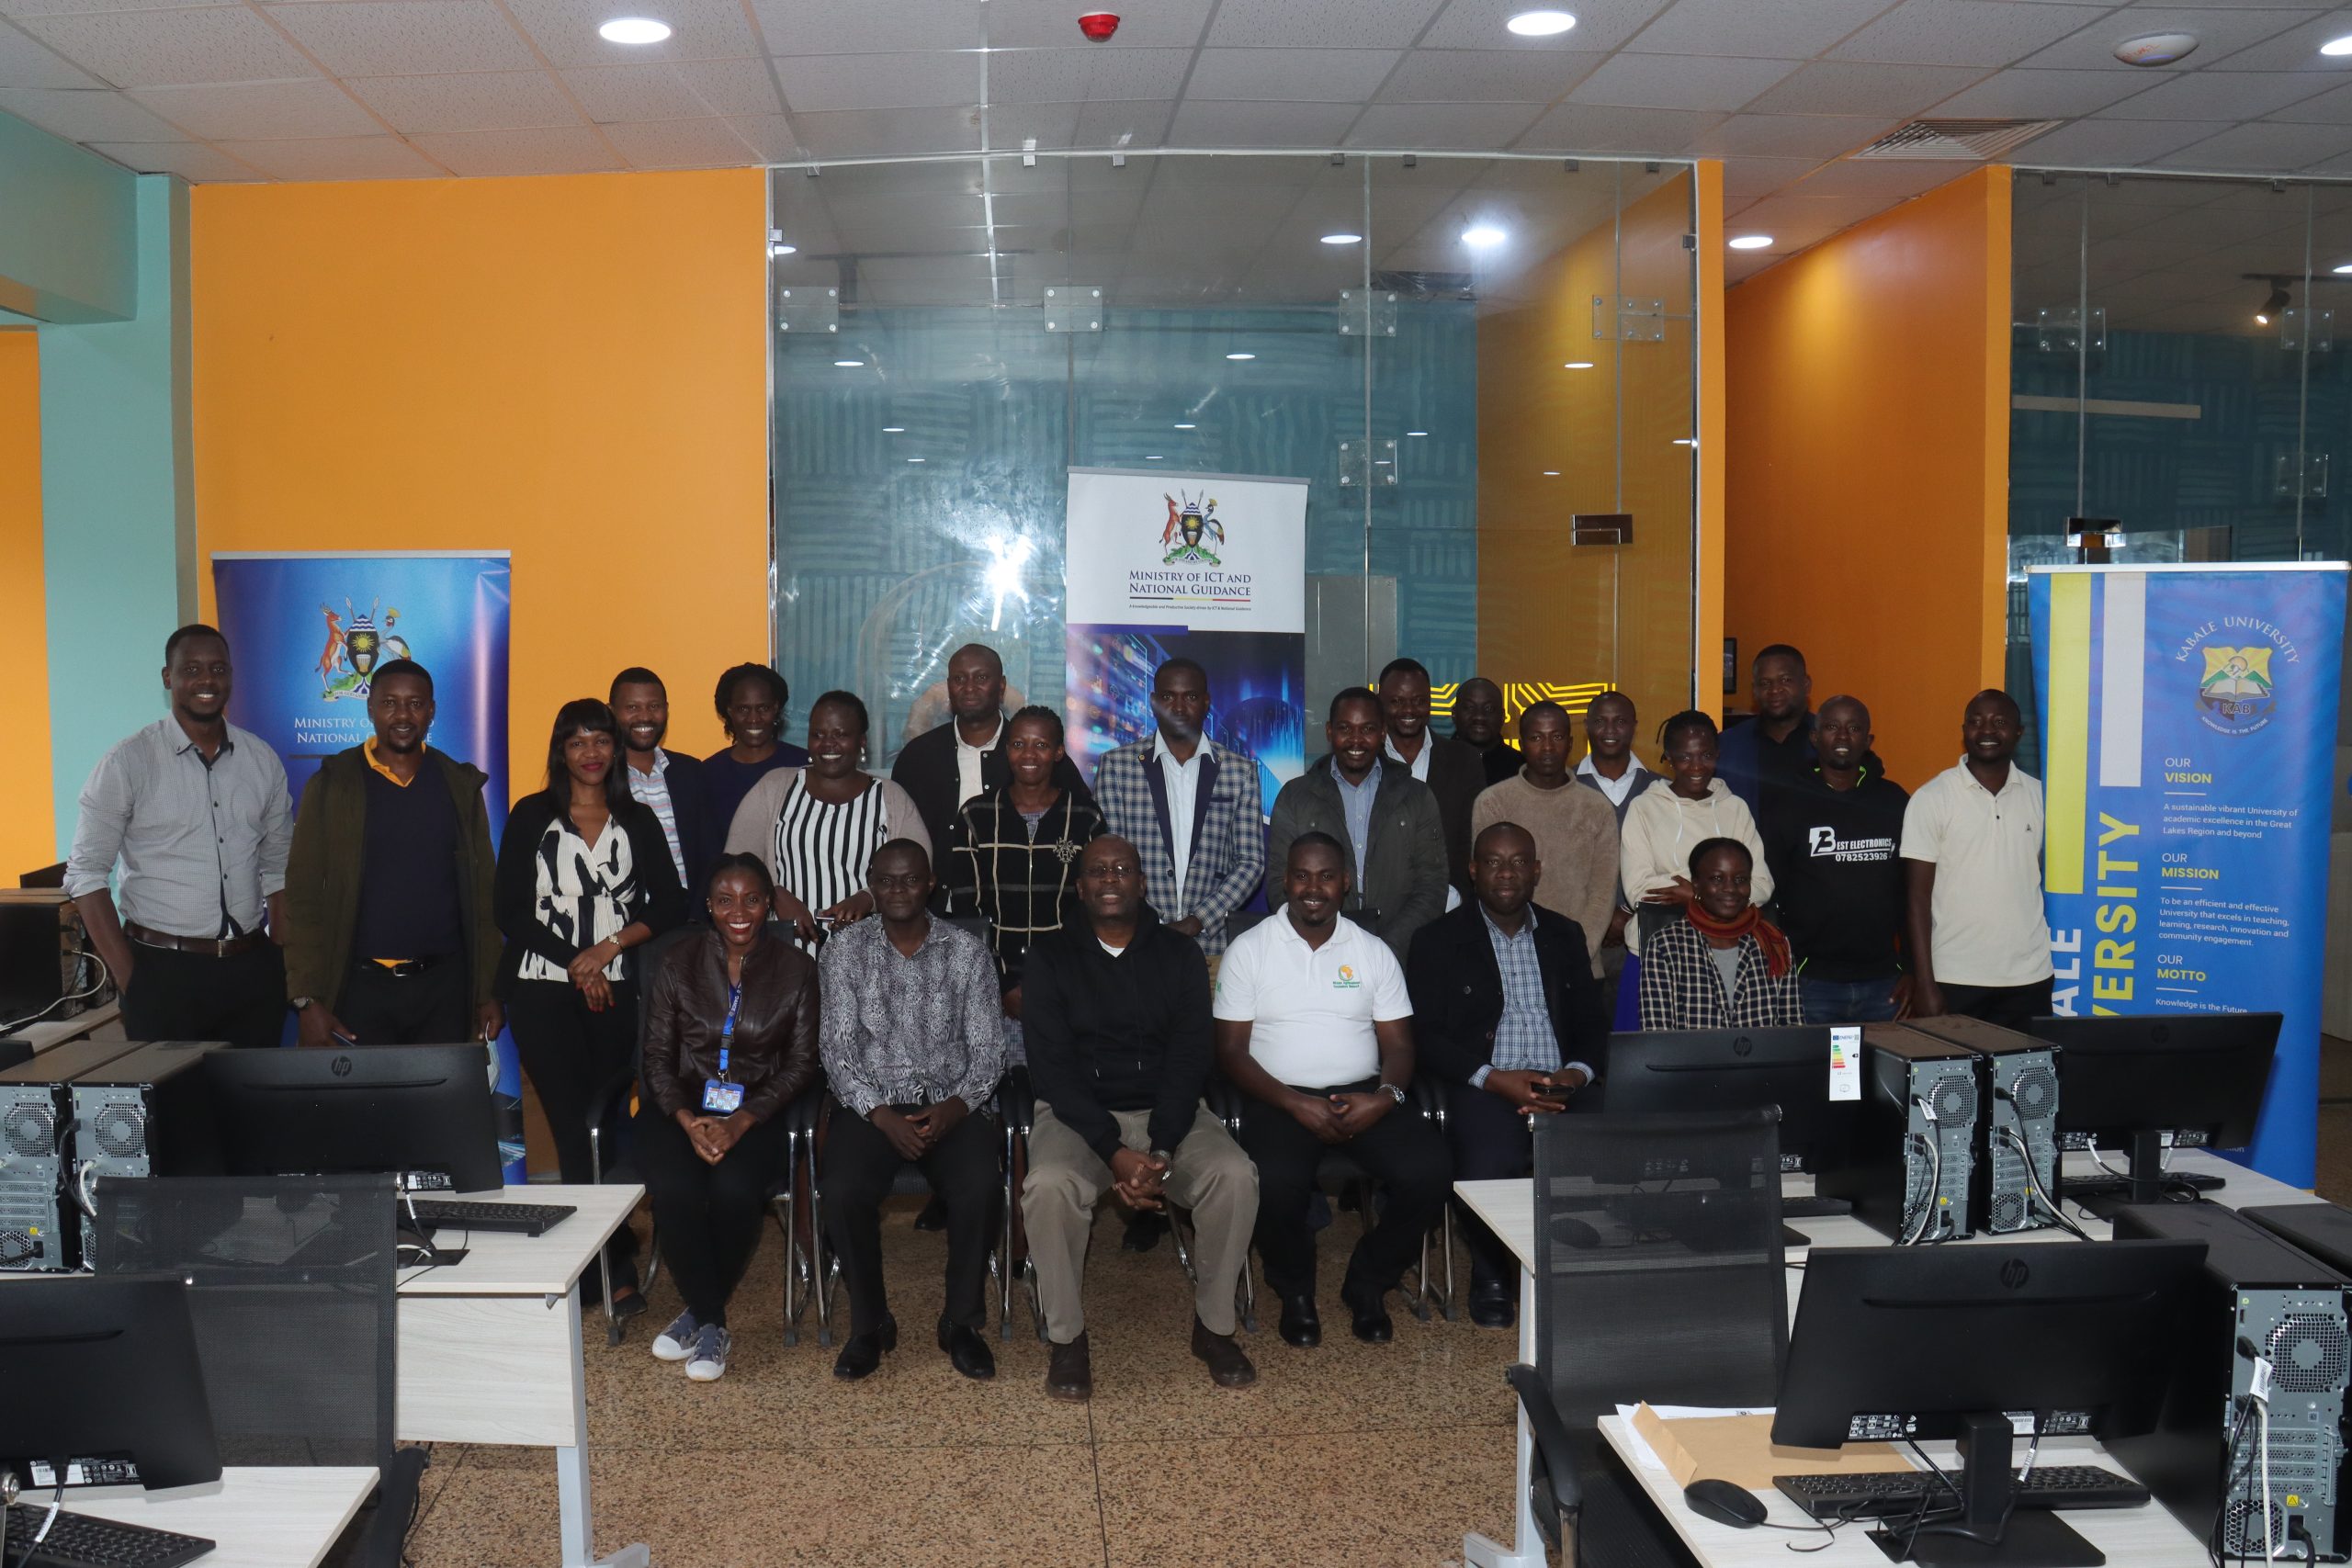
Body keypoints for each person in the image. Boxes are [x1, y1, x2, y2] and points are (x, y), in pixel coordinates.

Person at [1021, 836, 1259, 1400]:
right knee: (1048, 1186)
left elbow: (1190, 1059)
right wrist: (1114, 1151)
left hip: (1168, 1113)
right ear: (1080, 888)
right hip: (1078, 1117)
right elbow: (1052, 1070)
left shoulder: (1179, 955)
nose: (1110, 879)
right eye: (1097, 871)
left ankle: (1215, 1328)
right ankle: (1067, 1340)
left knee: (1235, 1175)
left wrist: (1162, 1149)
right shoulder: (1049, 957)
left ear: (1142, 883)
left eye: (1122, 869)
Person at [1214, 833, 1451, 1348]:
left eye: (1326, 877)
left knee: (1430, 1170)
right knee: (1272, 1180)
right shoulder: (1249, 950)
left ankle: (1368, 1282)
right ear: (1285, 881)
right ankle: (1295, 1290)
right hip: (1277, 1095)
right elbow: (1230, 1052)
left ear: (1345, 883)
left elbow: (1400, 1046)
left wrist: (1385, 1098)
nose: (1313, 888)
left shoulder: (1373, 951)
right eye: (1302, 876)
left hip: (1363, 1094)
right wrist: (1295, 1103)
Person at [494, 698, 685, 1317]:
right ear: (561, 751)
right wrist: (579, 963)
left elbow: (672, 903)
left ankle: (602, 1253)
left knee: (604, 1123)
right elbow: (509, 908)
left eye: (600, 739)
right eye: (577, 741)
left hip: (618, 985)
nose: (591, 752)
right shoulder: (531, 815)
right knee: (574, 1127)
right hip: (540, 986)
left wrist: (606, 951)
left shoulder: (638, 818)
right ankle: (612, 1269)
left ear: (615, 747)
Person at [818, 840, 1005, 1382]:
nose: (898, 889)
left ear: (931, 884)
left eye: (910, 879)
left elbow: (989, 1051)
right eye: (886, 880)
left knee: (980, 1185)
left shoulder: (967, 953)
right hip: (872, 1106)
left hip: (951, 1103)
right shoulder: (844, 951)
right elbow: (836, 1050)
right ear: (871, 886)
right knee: (843, 1189)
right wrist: (880, 1114)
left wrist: (955, 1107)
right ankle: (869, 1325)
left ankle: (961, 1324)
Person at [1406, 822, 1606, 1328]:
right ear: (1473, 871)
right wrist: (1495, 1079)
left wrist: (1575, 1075)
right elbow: (1424, 1036)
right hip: (1484, 1085)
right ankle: (1492, 1272)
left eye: (1518, 862)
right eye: (1493, 862)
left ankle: (1584, 1268)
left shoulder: (1565, 934)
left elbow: (1592, 1024)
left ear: (1536, 871)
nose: (1506, 873)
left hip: (1561, 1083)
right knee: (1489, 1158)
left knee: (1618, 1140)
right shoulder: (1436, 940)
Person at [66, 625, 293, 1050]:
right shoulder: (128, 761)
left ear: (231, 676)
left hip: (253, 974)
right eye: (191, 669)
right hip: (161, 975)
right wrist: (130, 978)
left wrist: (279, 961)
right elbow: (86, 875)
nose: (207, 680)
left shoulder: (261, 759)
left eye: (218, 669)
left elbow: (280, 868)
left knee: (252, 1094)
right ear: (168, 677)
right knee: (175, 1096)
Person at [637, 853, 820, 1382]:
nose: (739, 912)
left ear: (769, 905)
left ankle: (699, 1314)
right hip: (681, 1106)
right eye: (725, 900)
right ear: (710, 907)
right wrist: (687, 1118)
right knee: (675, 1189)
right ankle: (712, 1319)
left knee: (735, 1190)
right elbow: (656, 1057)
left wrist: (741, 1121)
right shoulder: (678, 961)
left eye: (752, 899)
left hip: (758, 1111)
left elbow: (803, 1064)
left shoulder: (797, 969)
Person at [283, 659, 503, 1051]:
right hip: (358, 990)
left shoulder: (459, 785)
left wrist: (487, 991)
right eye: (389, 703)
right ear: (370, 708)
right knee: (364, 1095)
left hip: (444, 991)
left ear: (431, 710)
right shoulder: (334, 783)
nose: (403, 715)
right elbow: (303, 896)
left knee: (441, 1094)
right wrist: (307, 998)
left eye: (415, 704)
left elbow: (485, 896)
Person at [942, 705, 1106, 1042]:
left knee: (1060, 1074)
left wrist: (1057, 979)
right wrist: (1002, 985)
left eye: (1041, 745)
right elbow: (966, 910)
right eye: (1018, 744)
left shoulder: (1085, 816)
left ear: (1058, 752)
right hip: (991, 988)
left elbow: (1093, 909)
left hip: (1068, 986)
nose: (1028, 754)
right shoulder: (976, 815)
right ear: (1007, 750)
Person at [723, 691, 928, 954]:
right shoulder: (774, 787)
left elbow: (919, 871)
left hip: (868, 954)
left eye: (840, 734)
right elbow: (735, 865)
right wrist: (773, 894)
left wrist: (869, 898)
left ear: (861, 741)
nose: (828, 744)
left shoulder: (890, 797)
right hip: (785, 953)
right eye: (818, 735)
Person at [1091, 657, 1266, 960]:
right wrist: (1151, 925)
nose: (1179, 707)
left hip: (1211, 947)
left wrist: (1197, 921)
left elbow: (1251, 862)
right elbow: (1112, 862)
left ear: (1207, 702)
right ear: (1154, 702)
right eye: (1169, 697)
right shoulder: (1117, 766)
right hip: (1135, 943)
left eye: (1191, 696)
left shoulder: (1239, 771)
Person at [1901, 689, 2054, 1028]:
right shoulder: (1932, 798)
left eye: (1999, 722)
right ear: (1964, 731)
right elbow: (1916, 898)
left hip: (2029, 978)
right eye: (1976, 722)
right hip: (1953, 977)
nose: (1987, 730)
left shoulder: (2041, 796)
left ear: (2019, 732)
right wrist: (1924, 982)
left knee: (2028, 1066)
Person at [1265, 687, 1447, 964]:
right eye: (1345, 728)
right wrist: (1326, 944)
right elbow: (1280, 883)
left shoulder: (1417, 796)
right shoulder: (1295, 796)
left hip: (1400, 956)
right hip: (1318, 956)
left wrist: (1386, 949)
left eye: (1368, 729)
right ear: (1329, 732)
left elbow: (1432, 886)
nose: (1356, 739)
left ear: (1383, 733)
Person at [1762, 695, 1910, 1024]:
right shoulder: (1787, 802)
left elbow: (1911, 892)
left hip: (1884, 982)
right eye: (1832, 727)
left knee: (1881, 1062)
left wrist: (1912, 969)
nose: (1842, 736)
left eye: (1854, 728)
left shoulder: (1895, 801)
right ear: (1815, 738)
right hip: (1810, 982)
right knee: (1814, 1061)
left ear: (1868, 740)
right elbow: (1769, 890)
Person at [893, 642, 1091, 858]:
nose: (969, 687)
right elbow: (898, 835)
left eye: (981, 678)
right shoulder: (918, 757)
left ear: (1002, 686)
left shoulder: (1033, 758)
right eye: (959, 679)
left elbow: (1082, 821)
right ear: (949, 687)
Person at [1469, 701, 1617, 979]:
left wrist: (1575, 954)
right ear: (1521, 744)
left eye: (1556, 736)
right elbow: (1489, 888)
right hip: (1507, 965)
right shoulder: (1493, 802)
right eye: (1536, 738)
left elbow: (1602, 894)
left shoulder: (1597, 808)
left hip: (1580, 964)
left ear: (1570, 743)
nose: (1547, 747)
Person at [1619, 710, 1772, 960]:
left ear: (1718, 754)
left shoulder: (1735, 808)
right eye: (1685, 757)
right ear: (1669, 757)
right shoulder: (1644, 807)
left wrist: (1697, 895)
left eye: (1706, 755)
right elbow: (1639, 889)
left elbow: (1762, 885)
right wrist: (1724, 888)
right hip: (1656, 949)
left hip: (1727, 949)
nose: (1697, 766)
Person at [1637, 839, 1801, 1030]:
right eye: (1717, 879)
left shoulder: (1773, 941)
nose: (1730, 888)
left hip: (1766, 1050)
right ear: (1696, 884)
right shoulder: (1666, 945)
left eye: (1740, 879)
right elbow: (1657, 1032)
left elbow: (1793, 1027)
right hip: (1691, 1051)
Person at [1573, 691, 1658, 1016]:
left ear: (1635, 726)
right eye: (1600, 721)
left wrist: (1628, 914)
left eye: (1620, 721)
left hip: (1645, 943)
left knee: (1637, 1037)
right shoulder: (1563, 786)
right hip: (1581, 942)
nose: (1610, 730)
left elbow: (1669, 865)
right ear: (1587, 726)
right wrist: (1604, 917)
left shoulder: (1661, 790)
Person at [1376, 658, 1484, 899]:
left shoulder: (1464, 760)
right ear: (1380, 703)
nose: (1408, 710)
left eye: (1419, 701)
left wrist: (1455, 897)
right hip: (1380, 905)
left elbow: (1472, 838)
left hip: (1449, 903)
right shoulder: (1366, 760)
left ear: (1430, 703)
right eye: (1396, 702)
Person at [611, 667, 715, 905]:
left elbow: (709, 853)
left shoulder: (690, 771)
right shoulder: (600, 778)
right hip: (623, 919)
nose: (645, 716)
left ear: (666, 709)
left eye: (654, 706)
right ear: (611, 712)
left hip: (687, 917)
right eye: (632, 707)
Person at [700, 664, 808, 845]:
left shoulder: (804, 766)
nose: (754, 718)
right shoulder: (708, 774)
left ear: (775, 708)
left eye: (763, 708)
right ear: (729, 710)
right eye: (743, 709)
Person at [1715, 643, 1814, 817]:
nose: (1774, 689)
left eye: (1785, 680)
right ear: (1754, 691)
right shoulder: (1726, 745)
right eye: (1765, 683)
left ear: (1806, 684)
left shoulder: (1831, 740)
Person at [1452, 676, 1522, 786]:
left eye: (1489, 708)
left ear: (1502, 716)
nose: (1479, 717)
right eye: (1469, 707)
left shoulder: (1522, 768)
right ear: (1454, 713)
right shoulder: (1434, 761)